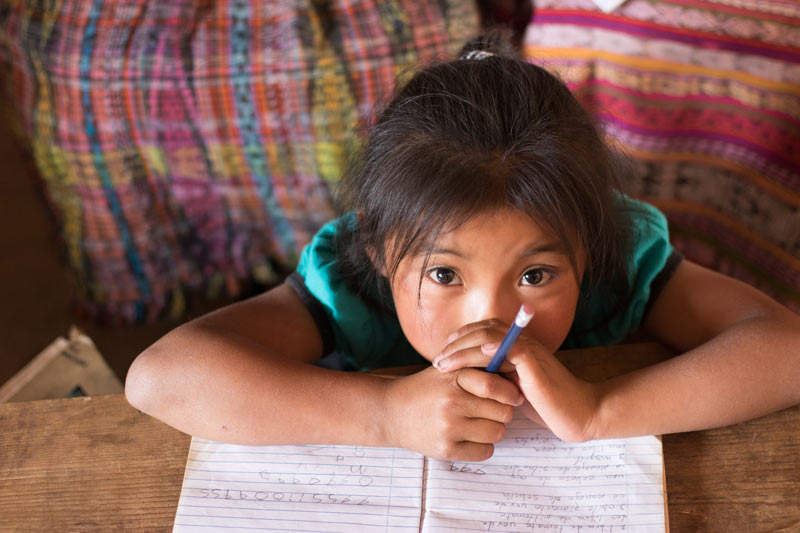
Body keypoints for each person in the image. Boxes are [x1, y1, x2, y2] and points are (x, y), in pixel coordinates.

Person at [125, 32, 800, 462]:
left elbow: (786, 350)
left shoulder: (621, 259)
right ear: (384, 249)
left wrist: (599, 411)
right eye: (445, 272)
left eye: (536, 273)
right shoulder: (349, 281)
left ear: (588, 249)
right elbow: (161, 377)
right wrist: (387, 415)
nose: (491, 315)